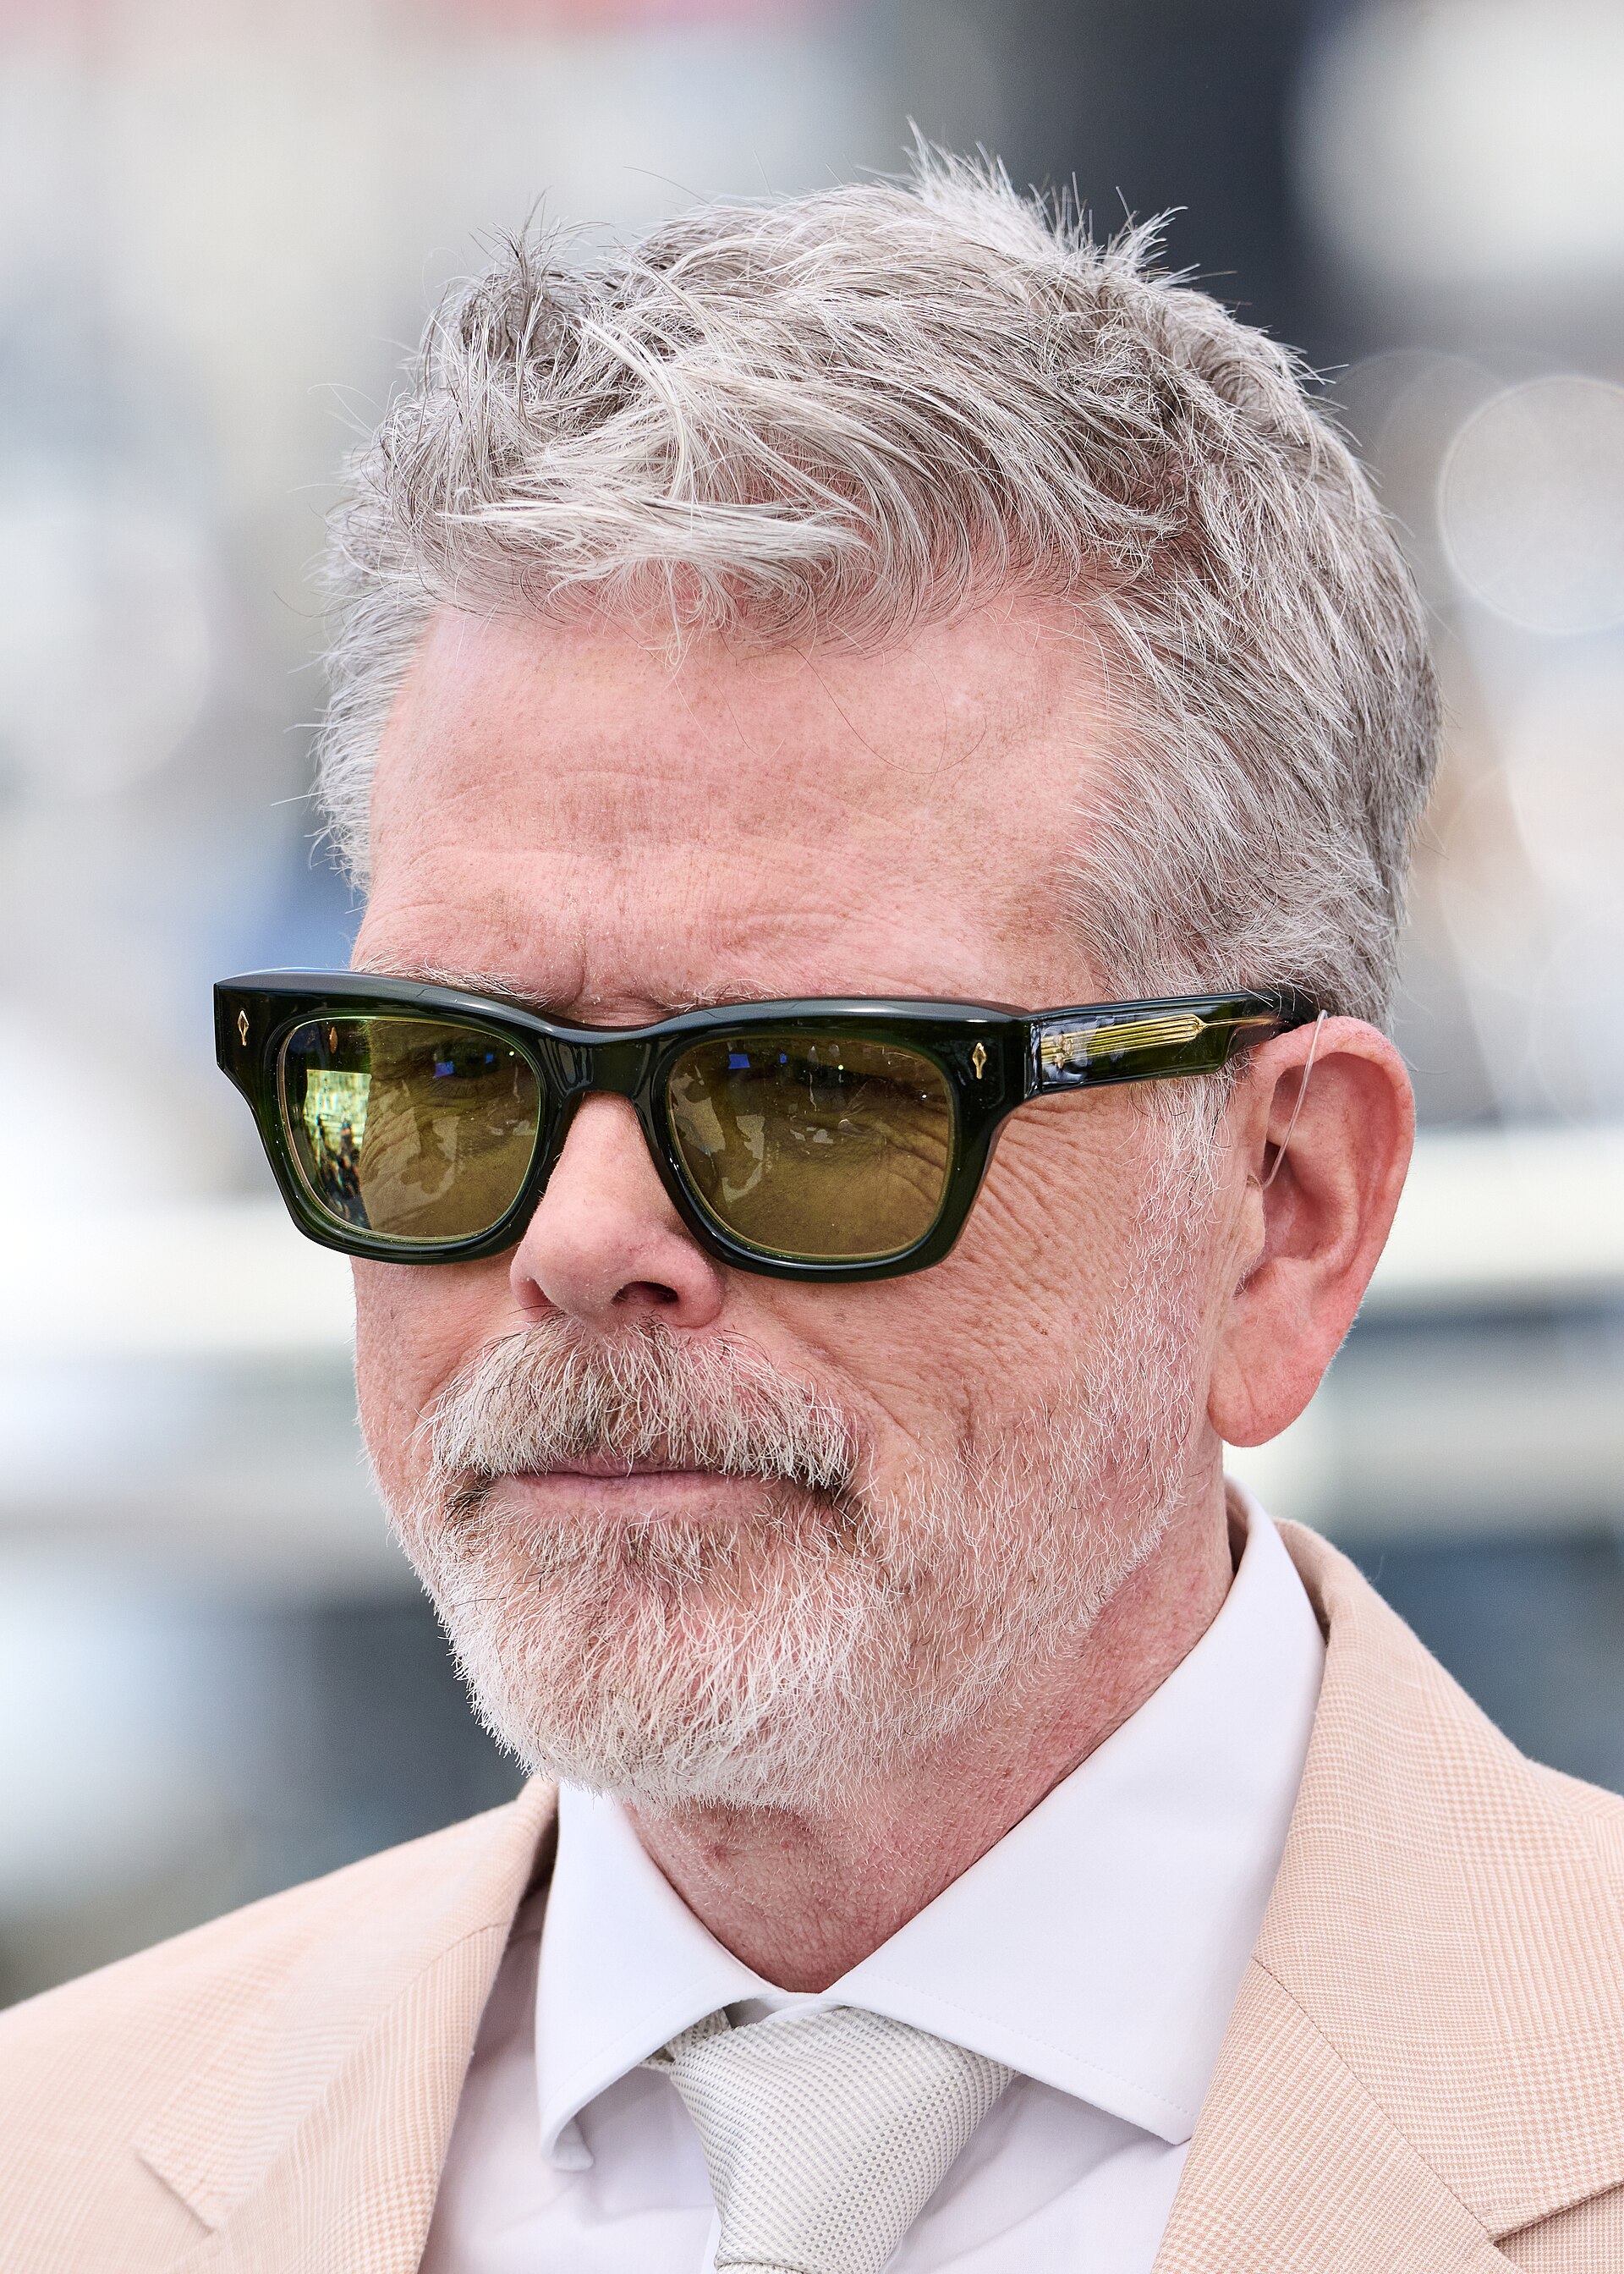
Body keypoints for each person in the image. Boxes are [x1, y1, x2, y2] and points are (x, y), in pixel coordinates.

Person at [4, 154, 1621, 2274]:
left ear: (1287, 1212)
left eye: (808, 1094)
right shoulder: (61, 2166)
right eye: (450, 1077)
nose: (581, 1240)